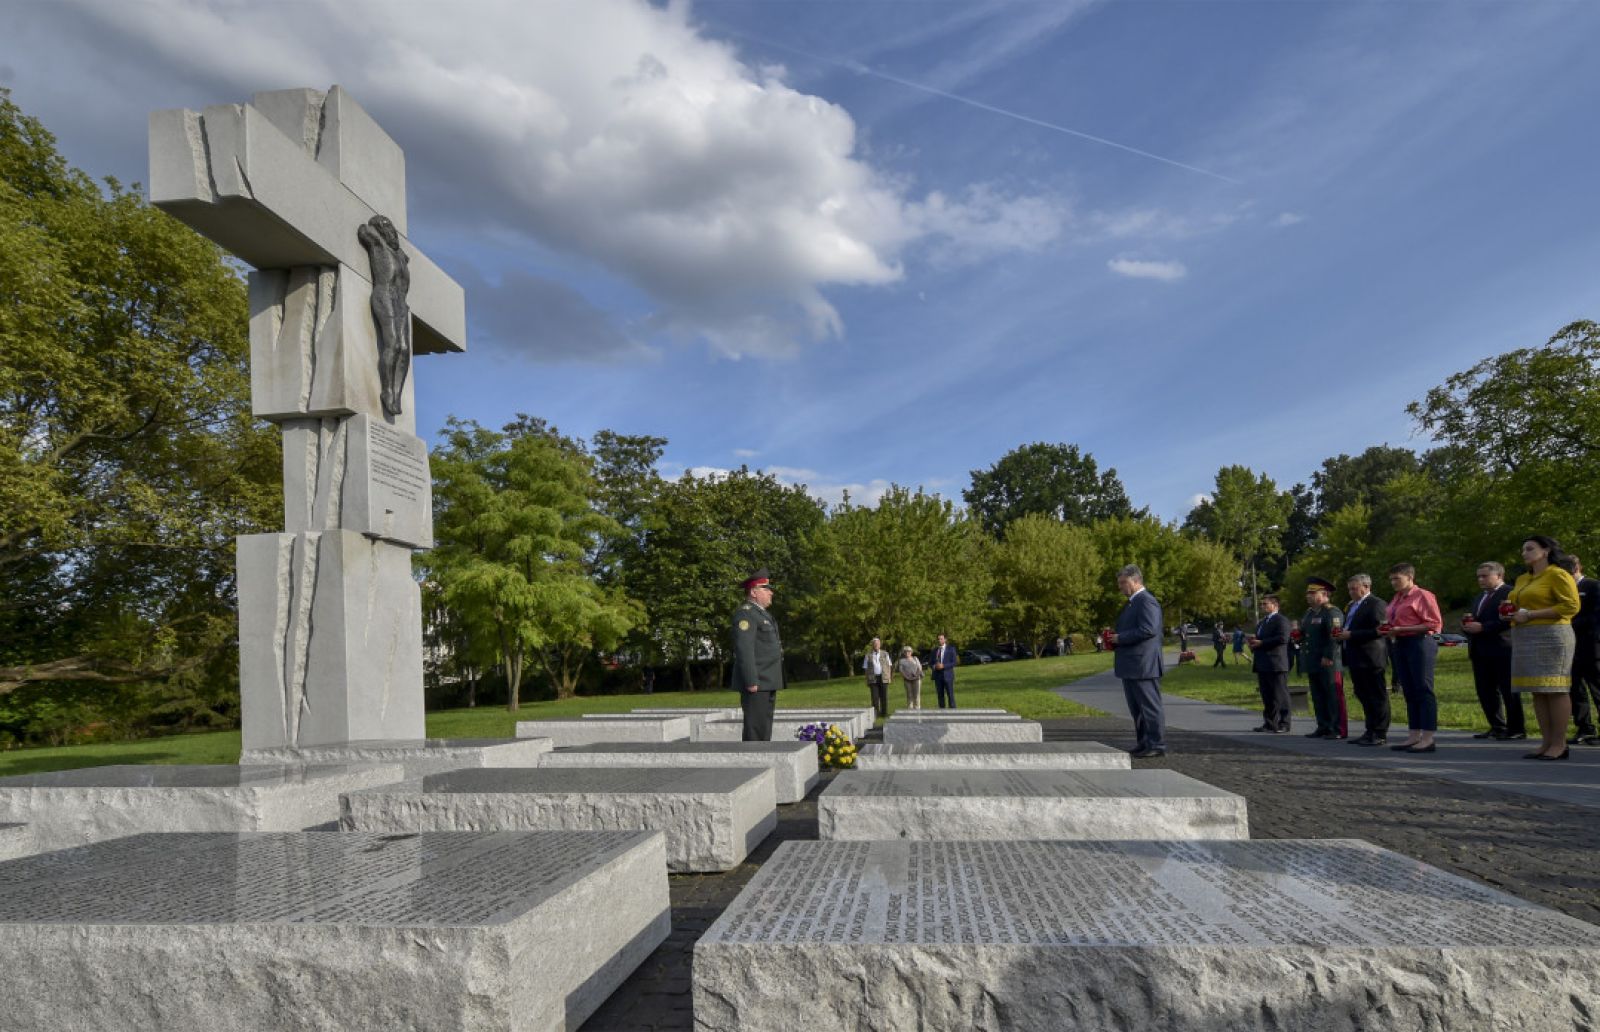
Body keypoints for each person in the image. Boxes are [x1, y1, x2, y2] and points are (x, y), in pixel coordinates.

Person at [1507, 537, 1581, 759]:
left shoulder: (1558, 574)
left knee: (1555, 688)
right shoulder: (1522, 578)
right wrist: (1511, 612)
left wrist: (1530, 614)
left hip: (1552, 635)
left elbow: (1571, 606)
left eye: (1530, 549)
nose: (1524, 553)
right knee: (1538, 690)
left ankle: (1559, 744)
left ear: (1546, 551)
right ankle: (1546, 742)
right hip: (1525, 636)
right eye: (1523, 549)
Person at [1107, 564, 1167, 758]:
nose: (1121, 587)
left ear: (1136, 581)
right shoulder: (1133, 603)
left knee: (1149, 707)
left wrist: (1120, 638)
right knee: (1137, 709)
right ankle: (1144, 742)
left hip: (1143, 664)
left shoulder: (1146, 601)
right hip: (1133, 664)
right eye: (1119, 583)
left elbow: (1149, 629)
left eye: (1124, 582)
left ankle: (1156, 744)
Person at [1384, 563, 1443, 753]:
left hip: (1419, 642)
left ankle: (1428, 736)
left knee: (1423, 688)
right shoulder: (1397, 597)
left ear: (1410, 577)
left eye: (1397, 579)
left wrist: (1403, 629)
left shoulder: (1423, 595)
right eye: (1391, 579)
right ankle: (1414, 734)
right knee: (1408, 689)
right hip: (1400, 643)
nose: (1393, 582)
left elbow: (1434, 623)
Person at [1462, 561, 1520, 740]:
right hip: (1480, 650)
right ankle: (1497, 726)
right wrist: (1468, 627)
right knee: (1486, 690)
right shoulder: (1479, 597)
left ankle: (1516, 728)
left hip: (1502, 648)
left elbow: (1509, 620)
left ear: (1499, 576)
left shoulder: (1510, 593)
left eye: (1485, 576)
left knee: (1508, 690)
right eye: (1478, 576)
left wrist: (1484, 627)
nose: (1480, 579)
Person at [1335, 573, 1389, 745]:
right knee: (1362, 693)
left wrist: (1351, 634)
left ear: (1366, 587)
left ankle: (1379, 732)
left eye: (1354, 588)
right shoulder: (1353, 605)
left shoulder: (1376, 604)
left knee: (1376, 695)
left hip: (1371, 655)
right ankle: (1369, 729)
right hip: (1355, 656)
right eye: (1349, 589)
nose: (1351, 592)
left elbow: (1380, 630)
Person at [731, 569, 783, 741]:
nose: (771, 592)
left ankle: (763, 762)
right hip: (757, 681)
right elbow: (744, 649)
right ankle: (753, 764)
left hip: (767, 680)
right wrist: (751, 680)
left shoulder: (761, 613)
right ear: (754, 592)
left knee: (763, 727)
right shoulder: (746, 613)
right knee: (755, 729)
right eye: (766, 588)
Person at [1301, 578, 1347, 739]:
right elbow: (1306, 633)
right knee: (1318, 695)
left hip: (1329, 662)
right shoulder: (1309, 613)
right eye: (1308, 593)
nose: (1308, 596)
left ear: (1324, 594)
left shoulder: (1331, 612)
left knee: (1333, 695)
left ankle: (1337, 728)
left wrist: (1328, 655)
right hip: (1313, 660)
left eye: (1312, 593)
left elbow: (1334, 636)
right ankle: (1323, 725)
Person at [1563, 556, 1600, 745]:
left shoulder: (1593, 586)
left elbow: (1596, 616)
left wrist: (1573, 623)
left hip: (1591, 646)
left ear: (1577, 567)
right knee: (1575, 689)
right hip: (1569, 647)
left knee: (1597, 687)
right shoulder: (1562, 590)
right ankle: (1584, 727)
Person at [1248, 595, 1292, 733]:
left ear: (1275, 605)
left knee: (1280, 694)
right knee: (1267, 695)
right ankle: (1270, 723)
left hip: (1276, 662)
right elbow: (1260, 638)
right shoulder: (1262, 622)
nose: (1262, 606)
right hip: (1263, 663)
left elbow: (1283, 638)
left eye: (1265, 603)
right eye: (1261, 604)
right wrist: (1254, 643)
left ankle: (1284, 723)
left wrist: (1262, 642)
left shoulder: (1281, 620)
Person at [862, 637, 893, 718]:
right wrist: (866, 679)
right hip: (873, 678)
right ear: (872, 645)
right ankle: (876, 714)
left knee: (884, 696)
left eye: (877, 644)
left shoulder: (885, 653)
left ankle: (884, 713)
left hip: (884, 677)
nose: (876, 645)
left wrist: (889, 677)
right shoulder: (868, 655)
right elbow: (865, 668)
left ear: (880, 645)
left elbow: (889, 666)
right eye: (874, 644)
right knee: (875, 697)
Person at [929, 634, 958, 709]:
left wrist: (944, 666)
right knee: (940, 695)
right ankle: (942, 711)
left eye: (941, 639)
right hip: (937, 676)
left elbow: (954, 662)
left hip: (947, 675)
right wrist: (935, 666)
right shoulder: (934, 650)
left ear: (945, 640)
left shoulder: (951, 649)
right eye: (938, 639)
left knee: (950, 694)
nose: (939, 640)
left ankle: (953, 711)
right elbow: (930, 663)